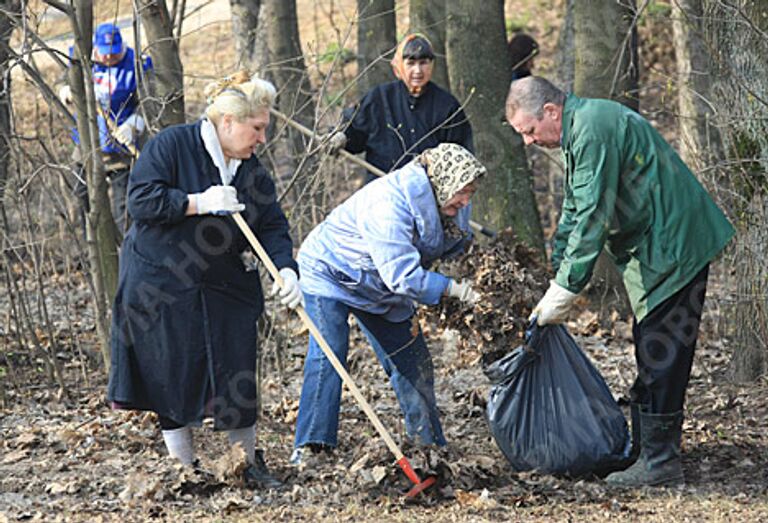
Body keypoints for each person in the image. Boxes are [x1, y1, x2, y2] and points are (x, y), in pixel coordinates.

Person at [505, 76, 735, 487]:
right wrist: (556, 273)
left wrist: (568, 289)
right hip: (655, 248)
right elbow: (575, 208)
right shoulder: (580, 131)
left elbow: (593, 215)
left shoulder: (593, 128)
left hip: (676, 245)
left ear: (551, 112)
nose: (528, 141)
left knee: (661, 353)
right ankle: (644, 451)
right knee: (650, 347)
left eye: (529, 131)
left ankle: (661, 463)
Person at [107, 71, 301, 489]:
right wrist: (197, 202)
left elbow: (272, 226)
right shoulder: (173, 145)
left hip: (221, 282)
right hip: (161, 279)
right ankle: (184, 469)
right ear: (228, 122)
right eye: (257, 128)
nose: (262, 139)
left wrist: (284, 268)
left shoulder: (251, 171)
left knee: (237, 365)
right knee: (171, 371)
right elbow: (140, 200)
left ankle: (245, 464)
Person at [290, 143, 485, 465]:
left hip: (380, 287)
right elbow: (403, 276)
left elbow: (455, 245)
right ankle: (312, 447)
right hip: (331, 273)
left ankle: (428, 446)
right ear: (443, 182)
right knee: (329, 354)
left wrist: (473, 267)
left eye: (470, 192)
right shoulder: (388, 204)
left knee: (412, 361)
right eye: (462, 192)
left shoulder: (454, 203)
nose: (466, 200)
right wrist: (455, 290)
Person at [326, 34, 474, 184]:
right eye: (411, 63)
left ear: (432, 64)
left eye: (423, 63)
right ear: (399, 65)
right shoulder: (379, 98)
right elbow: (355, 130)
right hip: (383, 193)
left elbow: (460, 157)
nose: (418, 70)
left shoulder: (447, 106)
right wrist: (342, 136)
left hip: (428, 198)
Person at [58, 22, 154, 235]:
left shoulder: (137, 64)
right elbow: (63, 80)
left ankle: (126, 247)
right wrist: (66, 89)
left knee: (124, 206)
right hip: (88, 144)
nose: (109, 57)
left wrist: (134, 124)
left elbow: (150, 102)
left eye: (114, 52)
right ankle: (93, 246)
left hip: (122, 149)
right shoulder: (81, 60)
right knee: (84, 196)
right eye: (105, 53)